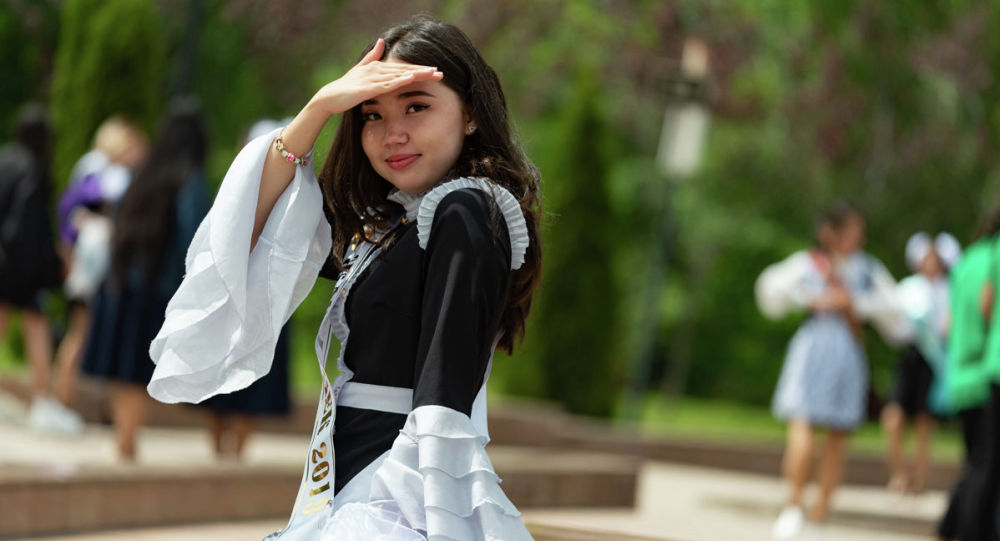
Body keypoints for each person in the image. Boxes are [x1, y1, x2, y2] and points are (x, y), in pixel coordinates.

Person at [146, 16, 541, 541]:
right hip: (351, 474)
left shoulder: (465, 208)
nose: (392, 134)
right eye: (371, 114)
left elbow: (445, 389)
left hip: (396, 490)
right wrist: (319, 109)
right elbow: (253, 233)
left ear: (470, 113)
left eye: (416, 107)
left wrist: (408, 509)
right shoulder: (392, 223)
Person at [756, 202, 902, 540]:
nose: (857, 238)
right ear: (832, 232)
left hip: (848, 354)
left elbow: (895, 308)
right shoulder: (808, 263)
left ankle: (820, 514)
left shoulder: (867, 269)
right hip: (813, 347)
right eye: (851, 230)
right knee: (802, 424)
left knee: (838, 435)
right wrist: (812, 298)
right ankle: (793, 505)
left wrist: (856, 304)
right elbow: (770, 292)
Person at [81, 99, 208, 461]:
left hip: (121, 283)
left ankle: (123, 437)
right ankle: (127, 441)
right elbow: (193, 237)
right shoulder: (190, 181)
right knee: (139, 368)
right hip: (157, 289)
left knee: (123, 366)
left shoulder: (143, 172)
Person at [198, 119, 294, 462]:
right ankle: (225, 454)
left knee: (250, 377)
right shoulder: (241, 188)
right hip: (244, 292)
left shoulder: (290, 192)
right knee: (227, 373)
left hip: (261, 294)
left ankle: (232, 454)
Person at [53, 116, 148, 424]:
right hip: (93, 270)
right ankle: (63, 401)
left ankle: (76, 403)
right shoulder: (102, 173)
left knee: (85, 334)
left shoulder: (92, 169)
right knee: (80, 333)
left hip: (91, 267)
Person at [0, 104, 78, 434]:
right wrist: (47, 265)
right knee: (37, 326)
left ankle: (43, 401)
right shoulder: (31, 167)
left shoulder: (5, 158)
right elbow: (28, 225)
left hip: (3, 259)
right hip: (21, 265)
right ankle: (42, 400)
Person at [881, 231, 960, 497]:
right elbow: (894, 327)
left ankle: (919, 480)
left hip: (935, 361)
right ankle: (899, 474)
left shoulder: (950, 289)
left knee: (925, 424)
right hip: (911, 357)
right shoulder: (908, 288)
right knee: (893, 418)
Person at [937, 215, 999, 541]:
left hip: (961, 374)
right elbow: (987, 305)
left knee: (977, 463)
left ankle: (950, 528)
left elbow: (947, 323)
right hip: (983, 370)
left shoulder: (968, 259)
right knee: (987, 467)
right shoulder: (994, 255)